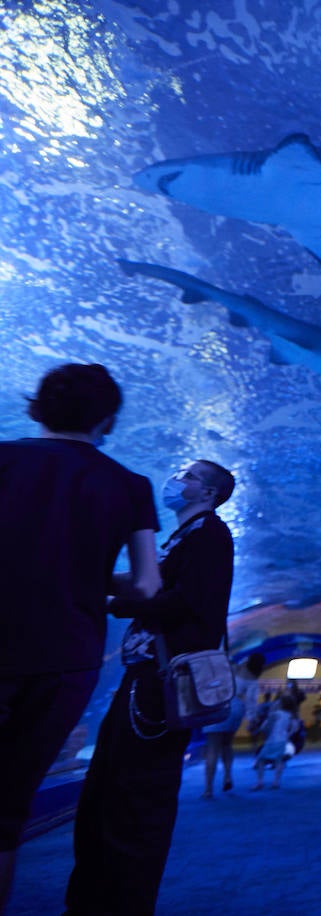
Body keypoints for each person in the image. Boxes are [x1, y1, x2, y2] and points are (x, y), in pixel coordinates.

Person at [0, 363, 161, 910]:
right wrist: (85, 579)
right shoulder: (131, 485)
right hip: (66, 658)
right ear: (109, 421)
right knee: (7, 811)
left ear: (34, 407)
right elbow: (144, 585)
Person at [65, 458, 236, 915]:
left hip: (162, 685)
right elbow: (153, 582)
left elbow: (190, 601)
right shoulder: (183, 538)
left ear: (209, 493)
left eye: (190, 476)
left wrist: (118, 605)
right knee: (107, 792)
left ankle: (122, 904)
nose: (177, 479)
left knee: (139, 803)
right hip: (143, 678)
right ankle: (92, 900)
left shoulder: (211, 535)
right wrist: (91, 579)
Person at [201, 651, 266, 798]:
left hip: (217, 706)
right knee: (227, 744)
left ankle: (208, 789)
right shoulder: (253, 680)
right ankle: (228, 776)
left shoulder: (232, 669)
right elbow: (251, 704)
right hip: (236, 711)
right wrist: (252, 720)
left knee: (212, 749)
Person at [252, 693, 302, 790]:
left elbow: (264, 727)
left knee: (261, 759)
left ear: (281, 704)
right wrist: (288, 735)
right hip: (283, 741)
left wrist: (258, 731)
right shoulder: (292, 716)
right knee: (279, 761)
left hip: (272, 741)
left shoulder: (276, 714)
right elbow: (295, 728)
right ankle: (276, 782)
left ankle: (260, 782)